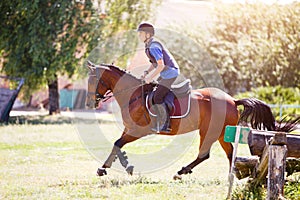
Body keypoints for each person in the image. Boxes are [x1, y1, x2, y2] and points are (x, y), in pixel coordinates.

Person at [137, 22, 180, 133]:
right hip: (165, 73)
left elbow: (160, 65)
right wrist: (147, 72)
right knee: (152, 92)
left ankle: (165, 124)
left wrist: (150, 78)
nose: (139, 35)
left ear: (147, 34)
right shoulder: (148, 45)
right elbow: (154, 63)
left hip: (171, 73)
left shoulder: (154, 46)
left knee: (157, 97)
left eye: (141, 33)